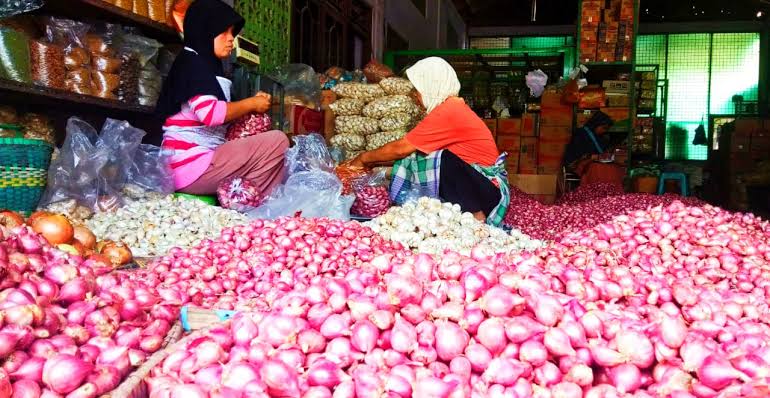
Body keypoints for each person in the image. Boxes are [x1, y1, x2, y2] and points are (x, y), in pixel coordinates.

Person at [346, 57, 510, 226]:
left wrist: (364, 158)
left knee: (442, 160)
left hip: (488, 193)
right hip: (482, 188)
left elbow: (401, 148)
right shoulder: (450, 108)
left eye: (418, 89)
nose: (415, 96)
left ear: (432, 86)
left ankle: (477, 216)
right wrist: (375, 165)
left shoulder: (449, 111)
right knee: (424, 155)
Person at [156, 0, 288, 196]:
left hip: (199, 163)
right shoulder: (192, 63)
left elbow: (219, 111)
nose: (231, 40)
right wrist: (251, 103)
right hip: (189, 167)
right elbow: (210, 115)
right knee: (278, 141)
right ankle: (244, 201)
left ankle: (246, 200)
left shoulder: (206, 66)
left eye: (232, 33)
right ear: (205, 30)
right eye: (224, 32)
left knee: (275, 152)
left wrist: (251, 107)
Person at [563, 111, 625, 186]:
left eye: (606, 129)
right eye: (603, 128)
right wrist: (592, 156)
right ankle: (596, 193)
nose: (604, 131)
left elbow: (603, 152)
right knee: (597, 169)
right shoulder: (581, 134)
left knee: (614, 167)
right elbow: (577, 153)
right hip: (579, 162)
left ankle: (612, 194)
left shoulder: (601, 137)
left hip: (596, 162)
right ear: (595, 124)